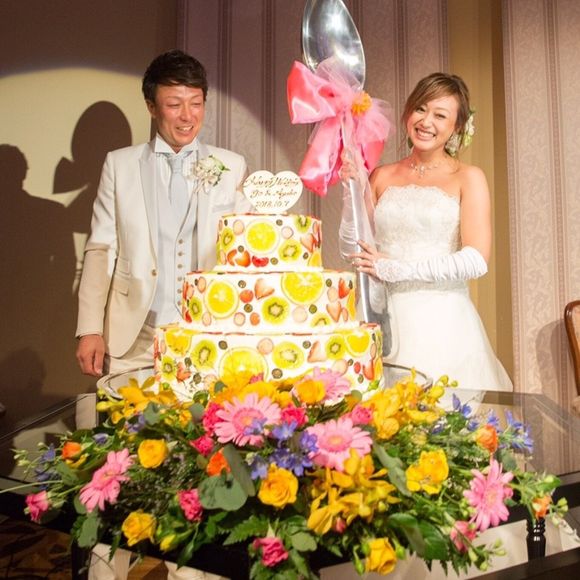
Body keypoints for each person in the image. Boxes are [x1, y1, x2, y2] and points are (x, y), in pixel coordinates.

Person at [75, 49, 251, 580]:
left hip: (203, 341)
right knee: (118, 465)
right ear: (152, 106)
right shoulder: (120, 164)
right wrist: (90, 327)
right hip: (134, 334)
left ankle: (190, 572)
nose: (187, 115)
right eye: (174, 103)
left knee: (200, 465)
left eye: (196, 103)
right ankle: (106, 570)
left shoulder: (230, 166)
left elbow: (240, 250)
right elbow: (101, 247)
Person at [341, 72, 512, 393]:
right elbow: (355, 247)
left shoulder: (468, 177)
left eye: (440, 115)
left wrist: (398, 269)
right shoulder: (381, 175)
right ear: (408, 112)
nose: (426, 121)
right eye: (420, 109)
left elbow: (475, 260)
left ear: (457, 127)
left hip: (443, 322)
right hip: (383, 316)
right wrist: (352, 190)